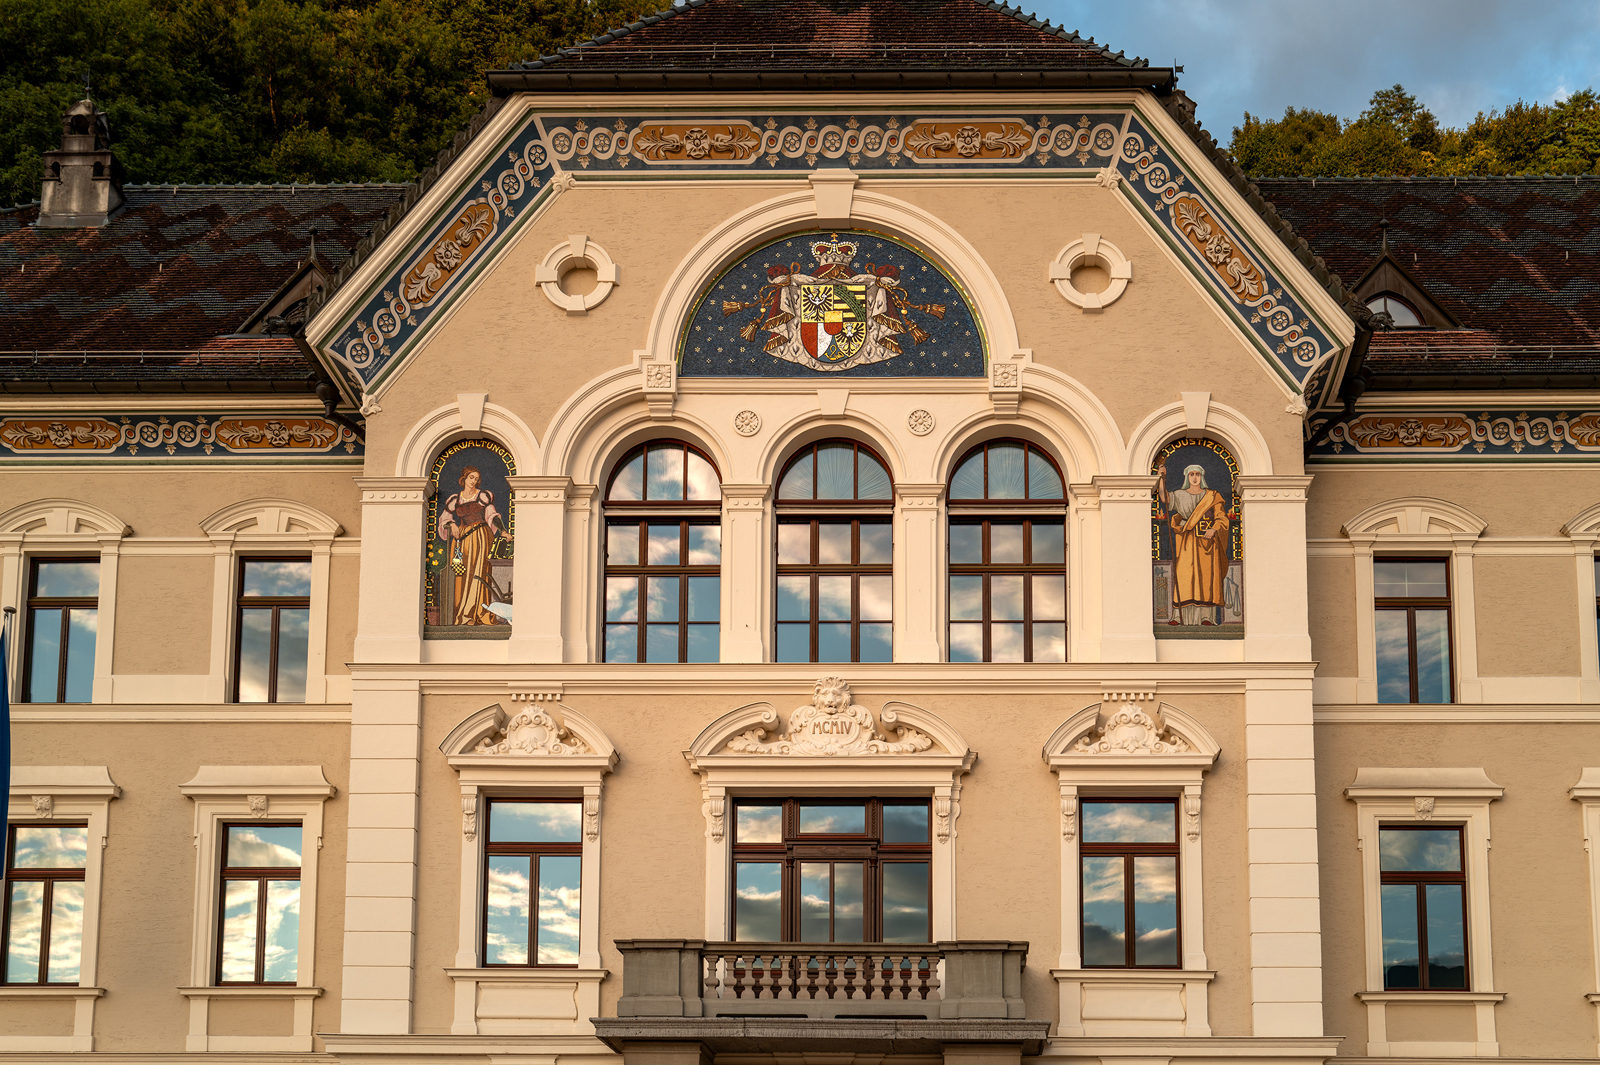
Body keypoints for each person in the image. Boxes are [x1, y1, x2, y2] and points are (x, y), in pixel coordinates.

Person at [1155, 460, 1230, 626]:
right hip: (1187, 541)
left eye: (1197, 474)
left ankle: (1206, 617)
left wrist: (1215, 529)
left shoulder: (1212, 495)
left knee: (1206, 579)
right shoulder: (1180, 495)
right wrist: (1161, 478)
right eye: (1191, 474)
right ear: (1187, 477)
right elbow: (1164, 498)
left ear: (1202, 476)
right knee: (1184, 576)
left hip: (1207, 544)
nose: (1195, 477)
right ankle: (1178, 615)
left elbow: (1222, 517)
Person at [437, 465, 511, 625]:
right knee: (461, 573)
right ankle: (463, 613)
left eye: (477, 479)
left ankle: (480, 612)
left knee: (479, 573)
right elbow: (444, 519)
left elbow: (492, 515)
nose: (474, 481)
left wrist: (503, 531)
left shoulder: (483, 496)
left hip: (480, 537)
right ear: (464, 478)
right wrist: (452, 525)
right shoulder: (454, 499)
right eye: (471, 477)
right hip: (462, 539)